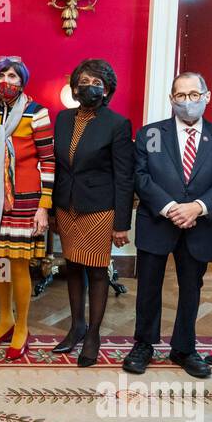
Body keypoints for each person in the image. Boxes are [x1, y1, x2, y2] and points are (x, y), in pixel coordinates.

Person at [127, 72, 212, 378]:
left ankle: (184, 347)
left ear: (207, 96)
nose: (187, 102)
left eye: (194, 95)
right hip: (157, 221)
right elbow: (140, 176)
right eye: (181, 95)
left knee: (191, 288)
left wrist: (197, 208)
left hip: (200, 225)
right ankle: (144, 344)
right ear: (171, 100)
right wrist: (169, 207)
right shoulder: (151, 134)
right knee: (148, 286)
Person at [0, 57, 55, 360]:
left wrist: (43, 206)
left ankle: (22, 325)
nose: (8, 80)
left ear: (23, 81)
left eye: (14, 76)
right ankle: (4, 317)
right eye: (3, 75)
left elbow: (48, 160)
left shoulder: (37, 113)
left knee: (19, 263)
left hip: (24, 200)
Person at [51, 59, 134, 367]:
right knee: (72, 266)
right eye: (84, 80)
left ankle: (94, 335)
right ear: (75, 87)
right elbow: (57, 167)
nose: (89, 86)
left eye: (97, 82)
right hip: (66, 206)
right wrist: (50, 211)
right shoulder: (61, 119)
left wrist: (122, 223)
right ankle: (76, 326)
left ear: (107, 89)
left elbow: (125, 177)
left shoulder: (117, 124)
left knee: (97, 271)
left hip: (100, 210)